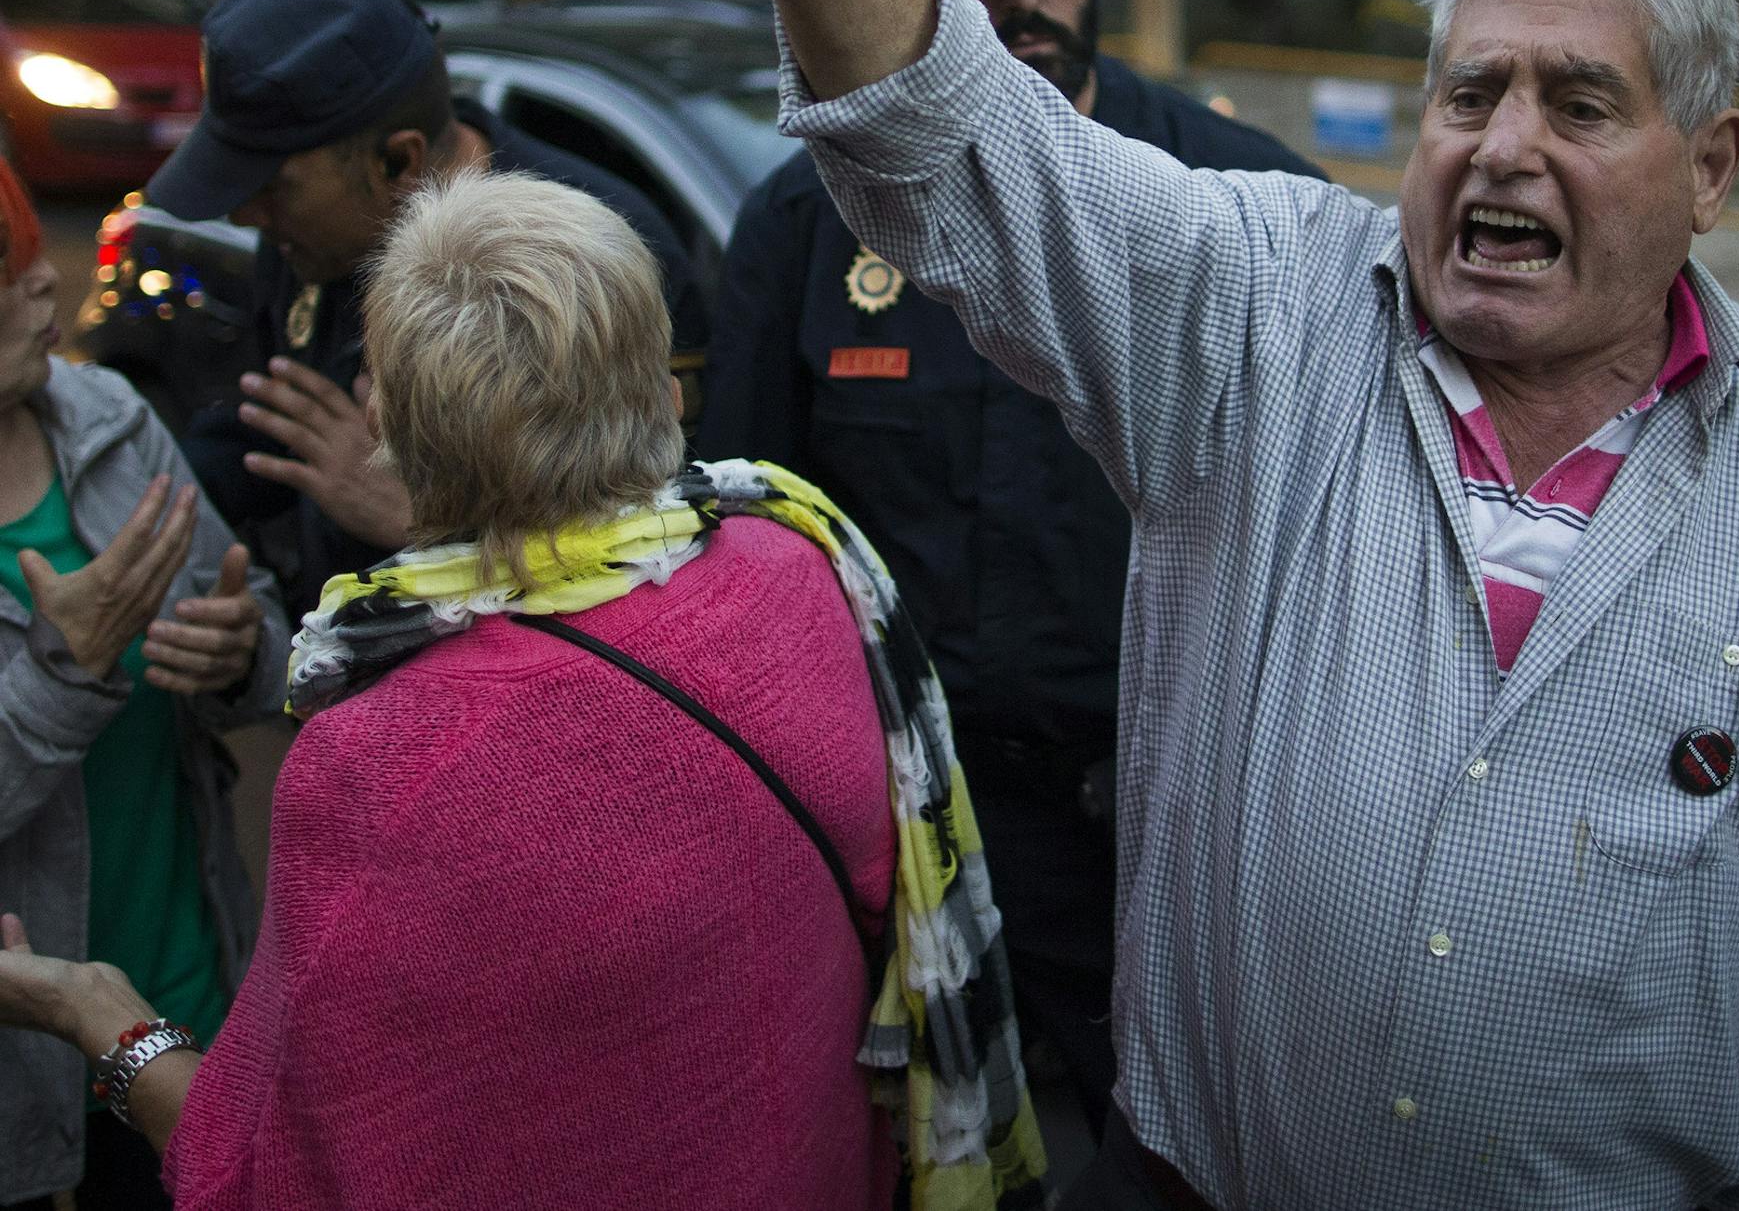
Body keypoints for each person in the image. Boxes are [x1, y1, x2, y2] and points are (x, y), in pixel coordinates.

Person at [594, 0, 1739, 1211]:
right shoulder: (1259, 306)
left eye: (1580, 106)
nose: (1503, 146)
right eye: (1468, 95)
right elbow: (953, 147)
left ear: (1713, 164)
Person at [0, 169, 1045, 1210]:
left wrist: (106, 1019)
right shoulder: (805, 570)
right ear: (670, 395)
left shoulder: (377, 760)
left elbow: (260, 1171)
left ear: (400, 443)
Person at [702, 0, 1318, 1133]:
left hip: (1148, 846)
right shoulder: (808, 228)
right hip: (905, 837)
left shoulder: (1239, 209)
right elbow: (743, 549)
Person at [146, 0, 710, 620]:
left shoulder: (598, 266)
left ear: (400, 160)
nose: (246, 214)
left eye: (273, 187)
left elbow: (664, 549)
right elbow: (277, 443)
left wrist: (430, 526)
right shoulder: (309, 249)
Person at [0, 155, 289, 1211]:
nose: (43, 286)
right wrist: (57, 676)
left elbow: (254, 619)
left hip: (180, 1007)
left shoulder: (106, 413)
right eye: (7, 263)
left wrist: (242, 649)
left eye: (39, 254)